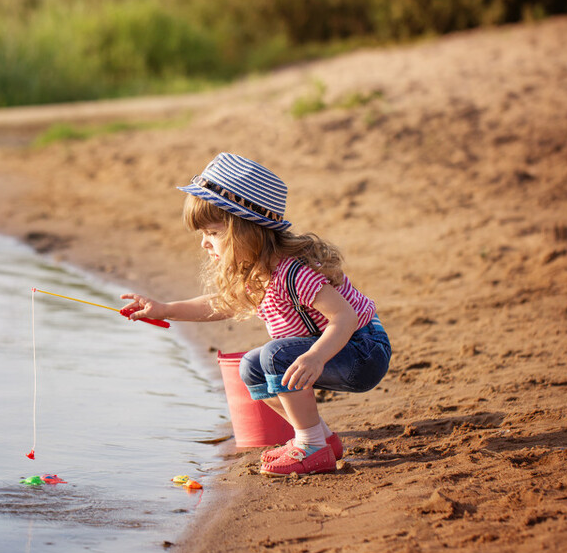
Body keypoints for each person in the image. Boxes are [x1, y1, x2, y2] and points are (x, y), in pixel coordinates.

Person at [120, 152, 391, 476]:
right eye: (203, 234)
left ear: (248, 230)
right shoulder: (257, 273)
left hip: (361, 353)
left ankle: (312, 447)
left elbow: (344, 317)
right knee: (251, 367)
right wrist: (165, 310)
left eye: (214, 233)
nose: (205, 244)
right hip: (329, 350)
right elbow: (219, 305)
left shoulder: (294, 273)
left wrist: (316, 356)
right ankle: (322, 438)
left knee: (275, 355)